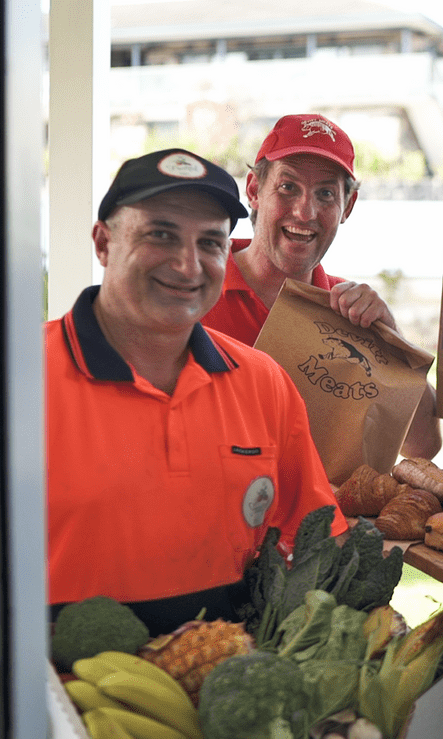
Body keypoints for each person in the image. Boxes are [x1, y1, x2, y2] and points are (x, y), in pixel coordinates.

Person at [46, 148, 347, 636]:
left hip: (220, 697)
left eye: (210, 242)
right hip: (55, 700)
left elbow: (319, 537)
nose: (188, 266)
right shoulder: (17, 381)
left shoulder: (263, 383)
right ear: (103, 243)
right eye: (160, 235)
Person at [201, 113, 441, 460]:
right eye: (288, 187)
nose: (305, 211)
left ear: (348, 206)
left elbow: (421, 447)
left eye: (326, 194)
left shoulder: (351, 314)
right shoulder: (195, 290)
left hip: (321, 514)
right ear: (254, 190)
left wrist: (391, 338)